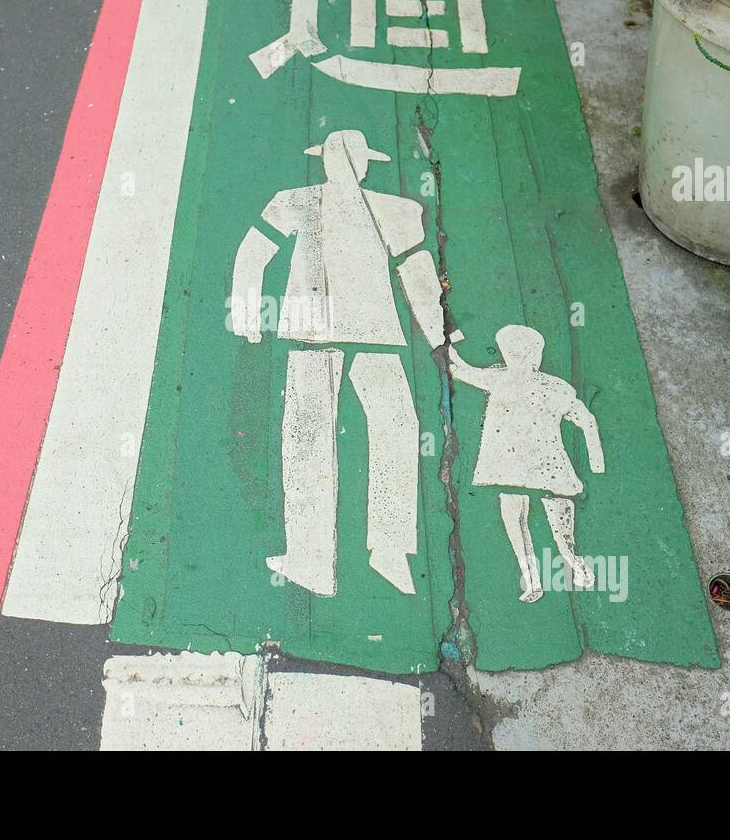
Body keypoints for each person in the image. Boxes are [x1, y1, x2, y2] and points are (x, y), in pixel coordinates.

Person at [229, 129, 449, 596]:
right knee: (378, 429)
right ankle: (366, 552)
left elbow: (253, 251)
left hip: (333, 332)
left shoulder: (374, 208)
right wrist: (440, 335)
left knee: (335, 435)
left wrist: (248, 312)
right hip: (357, 333)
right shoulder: (326, 203)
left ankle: (338, 556)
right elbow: (417, 272)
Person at [448, 325, 605, 601]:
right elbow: (587, 421)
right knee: (557, 517)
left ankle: (535, 579)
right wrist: (596, 461)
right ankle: (575, 566)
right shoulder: (556, 387)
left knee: (516, 517)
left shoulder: (499, 379)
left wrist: (447, 339)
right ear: (537, 354)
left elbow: (460, 369)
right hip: (549, 467)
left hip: (510, 466)